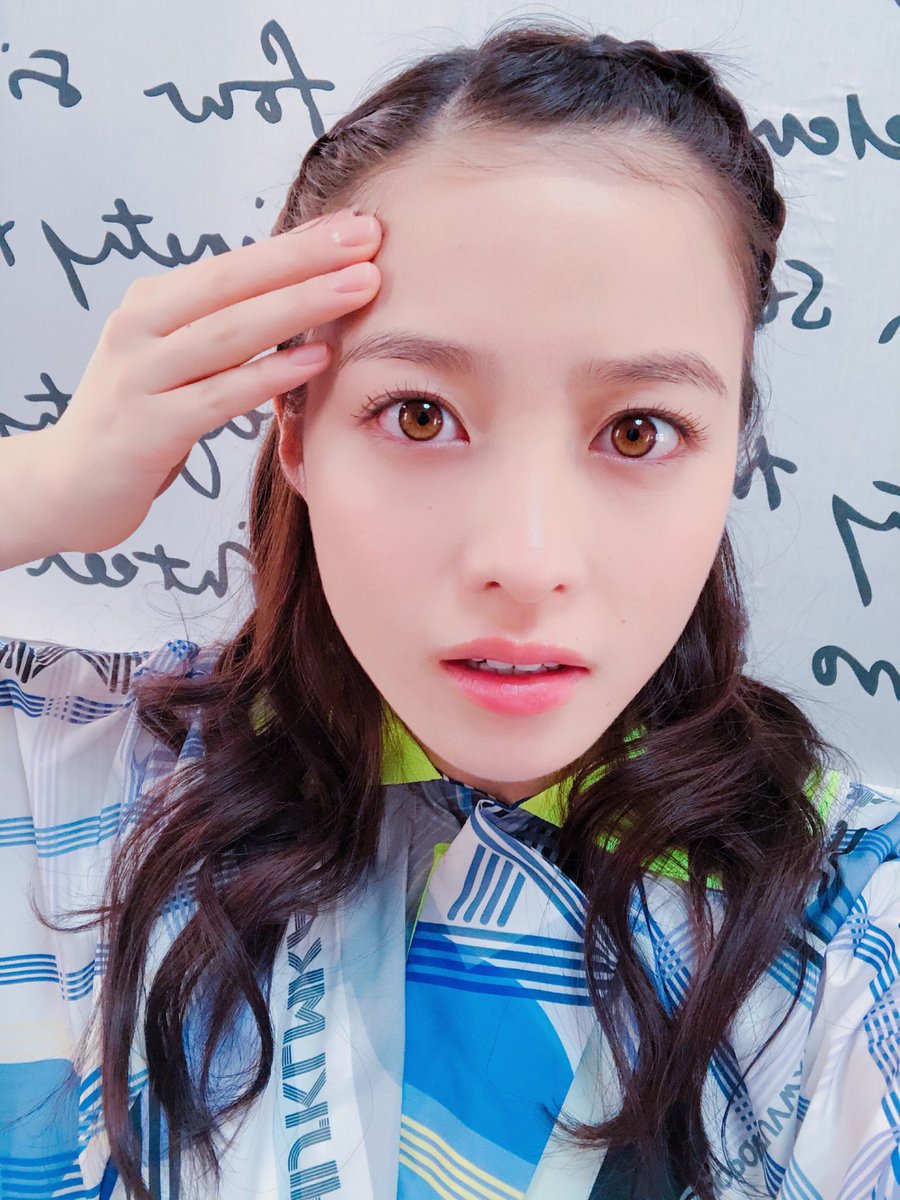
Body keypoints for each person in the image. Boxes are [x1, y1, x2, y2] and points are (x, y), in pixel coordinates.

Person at [1, 18, 898, 1200]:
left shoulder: (847, 939)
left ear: (732, 449)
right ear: (296, 433)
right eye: (420, 415)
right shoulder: (74, 787)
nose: (524, 562)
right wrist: (40, 487)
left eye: (638, 431)